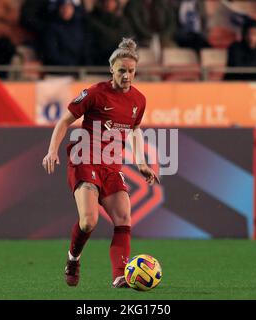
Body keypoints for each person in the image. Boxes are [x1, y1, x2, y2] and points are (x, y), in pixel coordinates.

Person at [42, 38, 159, 288]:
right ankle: (73, 259)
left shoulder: (139, 100)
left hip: (111, 166)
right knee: (89, 221)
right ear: (111, 69)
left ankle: (120, 275)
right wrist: (52, 151)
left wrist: (141, 162)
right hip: (84, 159)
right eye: (121, 71)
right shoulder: (95, 93)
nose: (126, 76)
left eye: (131, 71)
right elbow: (64, 121)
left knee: (124, 218)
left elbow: (135, 130)